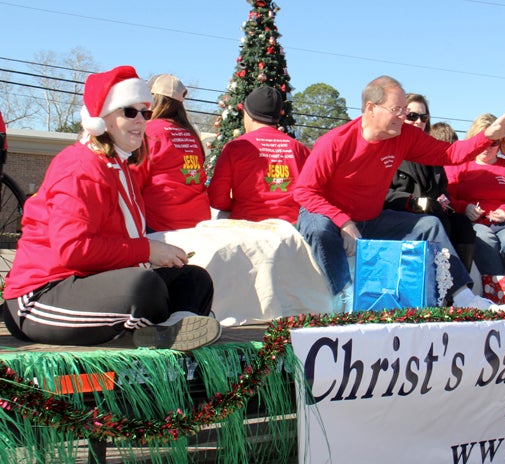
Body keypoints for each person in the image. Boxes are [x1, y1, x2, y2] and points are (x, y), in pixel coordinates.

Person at [1, 65, 220, 349]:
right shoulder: (80, 167)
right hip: (39, 296)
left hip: (90, 280)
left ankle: (169, 328)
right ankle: (163, 326)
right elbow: (74, 250)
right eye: (129, 111)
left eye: (146, 112)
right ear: (101, 118)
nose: (140, 121)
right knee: (144, 287)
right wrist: (148, 250)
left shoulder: (121, 167)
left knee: (195, 279)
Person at [293, 75, 505, 312]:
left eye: (405, 109)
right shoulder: (334, 142)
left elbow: (450, 154)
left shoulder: (405, 136)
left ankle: (464, 297)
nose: (404, 116)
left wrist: (487, 136)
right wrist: (343, 222)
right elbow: (304, 192)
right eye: (397, 109)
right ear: (371, 108)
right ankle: (345, 299)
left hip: (371, 219)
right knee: (319, 227)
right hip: (328, 216)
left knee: (429, 224)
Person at [383, 95, 476, 270]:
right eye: (412, 116)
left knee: (462, 225)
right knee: (431, 224)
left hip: (434, 214)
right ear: (400, 116)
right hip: (400, 214)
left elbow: (443, 191)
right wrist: (414, 202)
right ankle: (457, 291)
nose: (418, 121)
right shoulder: (387, 148)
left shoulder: (431, 154)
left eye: (423, 117)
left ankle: (452, 291)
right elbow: (382, 192)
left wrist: (444, 202)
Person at [444, 113, 505, 278]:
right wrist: (465, 208)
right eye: (483, 142)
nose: (487, 148)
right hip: (472, 224)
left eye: (493, 143)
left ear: (501, 142)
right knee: (484, 238)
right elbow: (446, 197)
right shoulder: (458, 166)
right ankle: (496, 291)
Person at [208, 86, 309, 224]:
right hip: (291, 230)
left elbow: (217, 198)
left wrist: (237, 207)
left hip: (246, 228)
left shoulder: (235, 147)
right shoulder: (300, 149)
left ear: (248, 114)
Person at [135, 74, 211, 231]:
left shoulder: (149, 131)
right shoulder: (191, 134)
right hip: (197, 221)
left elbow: (134, 180)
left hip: (160, 224)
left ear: (153, 98)